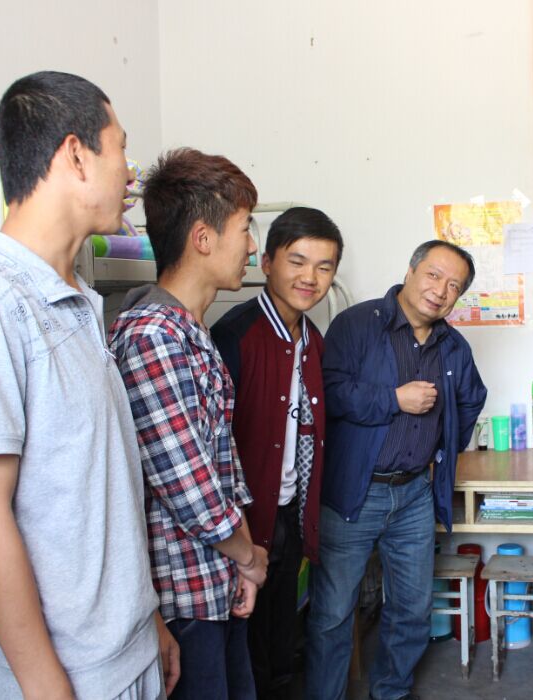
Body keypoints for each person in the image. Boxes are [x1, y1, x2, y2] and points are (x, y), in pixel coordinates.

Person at [0, 71, 177, 699]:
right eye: (121, 149)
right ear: (75, 155)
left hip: (125, 652)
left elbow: (96, 493)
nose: (130, 175)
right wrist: (45, 687)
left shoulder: (77, 301)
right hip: (65, 678)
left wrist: (147, 621)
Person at [109, 148, 269, 700]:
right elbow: (189, 488)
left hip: (215, 580)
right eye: (245, 229)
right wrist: (249, 558)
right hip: (182, 594)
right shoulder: (153, 337)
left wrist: (242, 567)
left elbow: (221, 464)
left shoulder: (191, 332)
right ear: (203, 238)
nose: (252, 246)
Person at [306, 240, 487, 700]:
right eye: (433, 275)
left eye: (454, 286)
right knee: (332, 613)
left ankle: (391, 691)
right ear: (410, 271)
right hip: (354, 493)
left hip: (414, 494)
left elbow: (471, 400)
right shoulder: (357, 324)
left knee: (412, 608)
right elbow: (329, 392)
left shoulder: (453, 346)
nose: (440, 290)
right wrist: (393, 399)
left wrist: (441, 450)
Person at [211, 207, 344, 698]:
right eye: (297, 261)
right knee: (246, 645)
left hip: (290, 511)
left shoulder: (313, 341)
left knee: (282, 638)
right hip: (243, 521)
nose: (310, 278)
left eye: (324, 267)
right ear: (266, 263)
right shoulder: (234, 335)